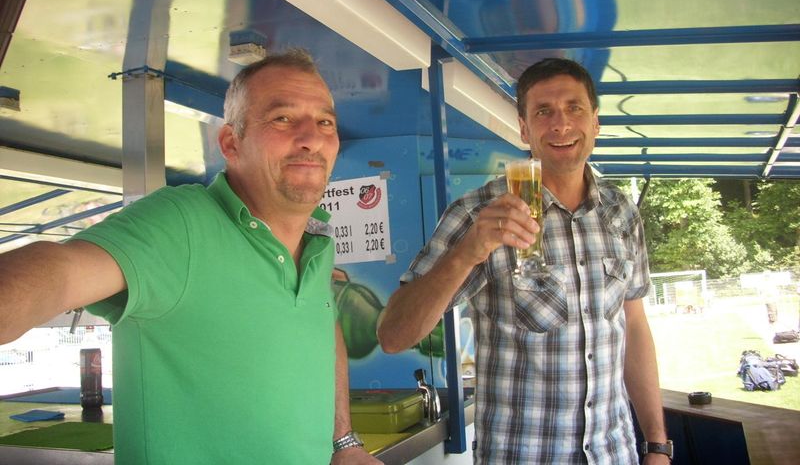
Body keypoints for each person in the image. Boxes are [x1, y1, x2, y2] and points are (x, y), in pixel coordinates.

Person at [0, 49, 379, 465]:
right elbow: (63, 272)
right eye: (283, 118)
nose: (311, 138)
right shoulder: (178, 223)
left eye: (325, 122)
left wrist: (344, 441)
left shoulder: (318, 239)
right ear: (231, 143)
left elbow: (322, 328)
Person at [378, 58, 670, 464]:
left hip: (613, 452)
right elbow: (393, 335)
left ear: (595, 122)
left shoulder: (621, 212)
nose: (561, 124)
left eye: (574, 108)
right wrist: (468, 251)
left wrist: (656, 443)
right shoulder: (478, 213)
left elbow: (634, 326)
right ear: (523, 128)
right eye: (543, 112)